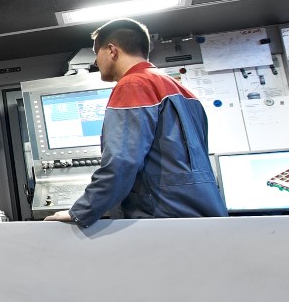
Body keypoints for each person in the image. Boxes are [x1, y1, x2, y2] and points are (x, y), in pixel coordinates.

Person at [46, 18, 227, 226]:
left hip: (161, 216)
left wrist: (82, 211)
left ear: (112, 51)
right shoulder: (182, 90)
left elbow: (121, 161)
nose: (96, 62)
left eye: (97, 53)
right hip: (201, 215)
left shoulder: (133, 84)